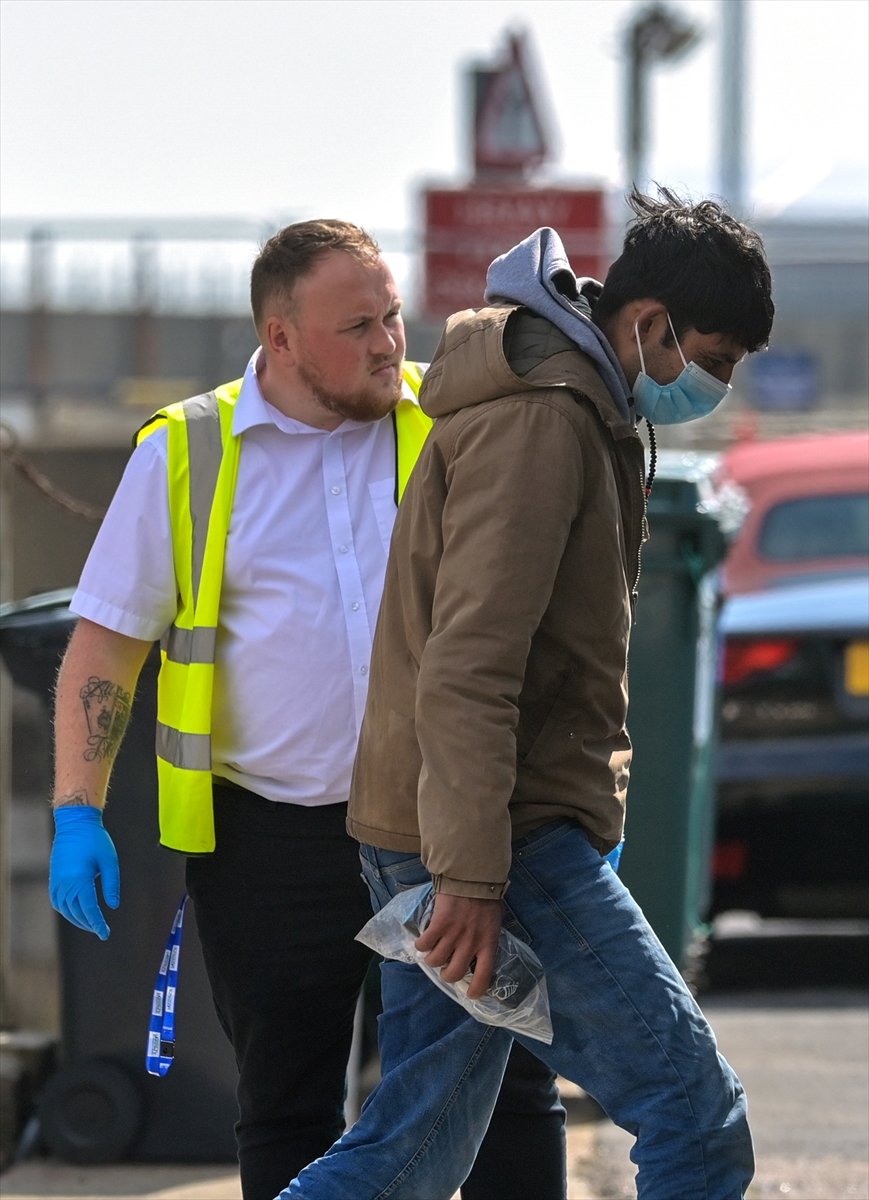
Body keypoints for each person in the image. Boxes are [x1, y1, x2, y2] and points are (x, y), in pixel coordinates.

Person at [47, 220, 567, 1200]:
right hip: (273, 840)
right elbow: (106, 644)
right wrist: (78, 809)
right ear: (279, 339)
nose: (388, 343)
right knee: (288, 1102)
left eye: (394, 316)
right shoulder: (186, 456)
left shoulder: (448, 426)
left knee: (502, 1080)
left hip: (450, 829)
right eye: (357, 325)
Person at [275, 188, 776, 1200]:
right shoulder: (545, 419)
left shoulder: (570, 402)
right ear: (646, 325)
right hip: (501, 836)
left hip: (458, 828)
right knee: (695, 1118)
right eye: (712, 359)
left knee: (413, 1151)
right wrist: (469, 878)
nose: (713, 385)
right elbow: (470, 663)